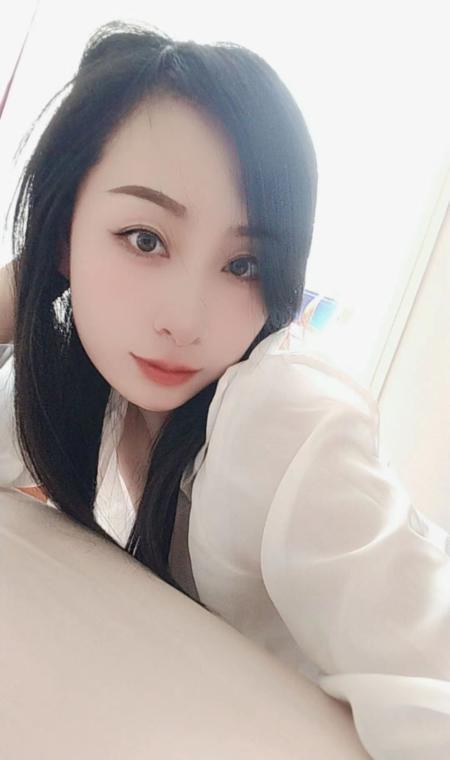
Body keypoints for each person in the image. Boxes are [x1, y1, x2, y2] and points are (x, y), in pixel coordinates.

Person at [1, 20, 449, 758]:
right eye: (145, 239)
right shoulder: (89, 383)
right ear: (61, 230)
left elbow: (436, 694)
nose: (185, 320)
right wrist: (17, 290)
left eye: (243, 266)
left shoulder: (280, 418)